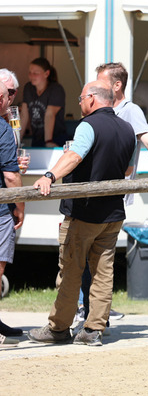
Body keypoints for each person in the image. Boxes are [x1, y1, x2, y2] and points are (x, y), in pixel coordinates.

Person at [72, 62, 148, 327]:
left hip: (111, 193)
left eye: (102, 81)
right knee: (86, 254)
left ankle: (92, 311)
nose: (96, 86)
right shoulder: (94, 108)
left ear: (117, 85)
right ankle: (87, 308)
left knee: (99, 256)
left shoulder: (130, 110)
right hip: (88, 190)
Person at [27, 80, 135, 346]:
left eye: (81, 98)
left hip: (83, 212)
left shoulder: (88, 125)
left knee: (70, 272)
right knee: (103, 274)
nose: (79, 102)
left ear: (92, 98)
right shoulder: (127, 129)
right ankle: (93, 330)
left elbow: (75, 156)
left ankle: (59, 328)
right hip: (113, 213)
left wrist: (49, 175)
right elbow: (127, 170)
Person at [0, 81, 25, 347]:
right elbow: (10, 176)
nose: (11, 99)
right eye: (8, 94)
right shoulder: (3, 129)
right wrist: (20, 206)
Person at [19, 58, 68, 147]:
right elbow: (24, 115)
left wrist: (48, 141)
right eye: (30, 73)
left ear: (46, 74)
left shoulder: (56, 89)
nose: (31, 76)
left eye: (35, 73)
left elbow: (50, 115)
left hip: (55, 138)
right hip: (37, 138)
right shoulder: (28, 88)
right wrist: (17, 141)